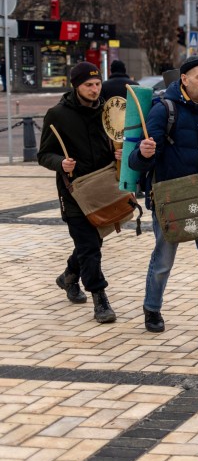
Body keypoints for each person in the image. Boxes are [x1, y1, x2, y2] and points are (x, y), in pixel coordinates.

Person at [128, 56, 198, 352]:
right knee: (163, 262)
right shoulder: (163, 111)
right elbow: (136, 161)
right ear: (184, 80)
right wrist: (144, 152)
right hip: (171, 201)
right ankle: (152, 307)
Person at [37, 62, 120, 323]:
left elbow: (118, 140)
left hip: (103, 188)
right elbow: (43, 154)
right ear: (76, 86)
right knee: (89, 246)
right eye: (89, 85)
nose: (95, 90)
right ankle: (100, 298)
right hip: (74, 190)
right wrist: (60, 162)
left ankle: (69, 277)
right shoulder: (57, 114)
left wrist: (119, 152)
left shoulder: (108, 112)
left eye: (97, 84)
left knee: (92, 243)